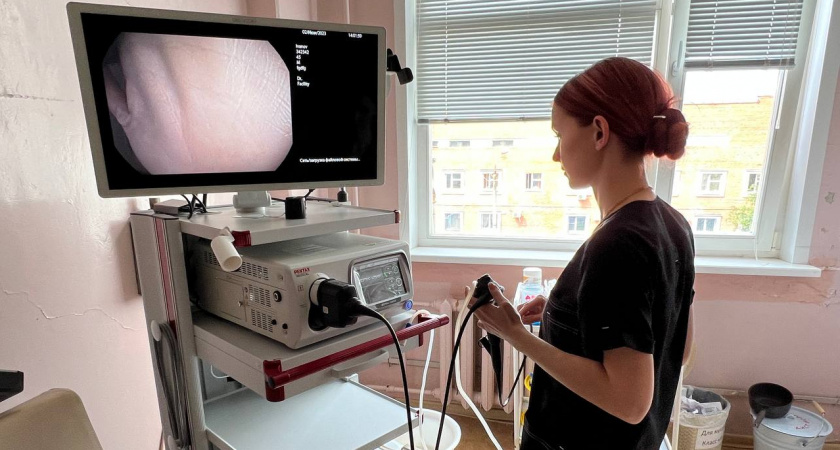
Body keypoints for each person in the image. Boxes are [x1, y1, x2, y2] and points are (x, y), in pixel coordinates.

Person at [471, 57, 695, 450]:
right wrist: (566, 320)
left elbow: (629, 402)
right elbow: (678, 344)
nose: (556, 155)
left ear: (599, 132)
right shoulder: (674, 224)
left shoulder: (618, 245)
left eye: (560, 135)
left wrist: (515, 335)